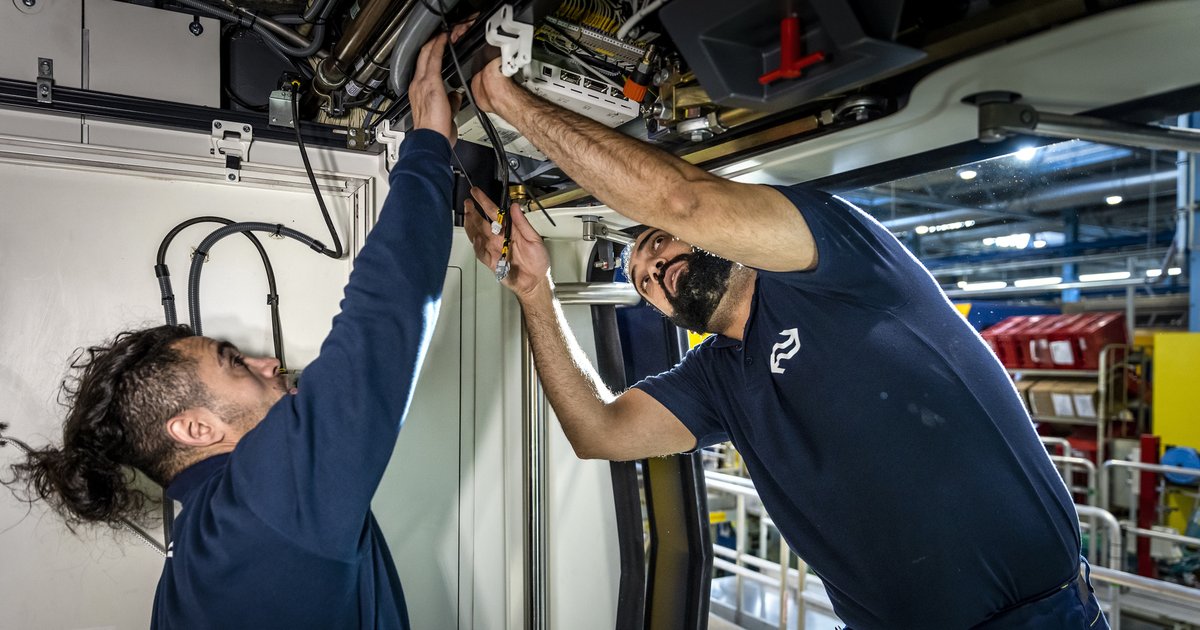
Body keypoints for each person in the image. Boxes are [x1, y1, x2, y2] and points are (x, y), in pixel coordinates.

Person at [461, 58, 1107, 629]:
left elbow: (683, 200)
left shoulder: (824, 262)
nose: (655, 267)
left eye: (655, 242)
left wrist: (507, 98)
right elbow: (596, 431)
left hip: (1037, 616)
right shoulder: (715, 379)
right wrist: (535, 296)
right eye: (642, 281)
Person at [1, 33, 463, 629]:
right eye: (236, 363)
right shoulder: (260, 509)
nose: (269, 362)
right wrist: (426, 145)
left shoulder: (192, 567)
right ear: (194, 428)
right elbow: (380, 326)